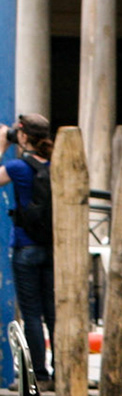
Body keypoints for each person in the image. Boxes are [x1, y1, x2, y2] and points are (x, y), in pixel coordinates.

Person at [0, 114, 56, 381]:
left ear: (23, 137)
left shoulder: (19, 167)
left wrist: (1, 147)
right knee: (54, 312)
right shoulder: (58, 164)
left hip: (25, 247)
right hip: (54, 248)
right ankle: (62, 371)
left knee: (32, 314)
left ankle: (40, 375)